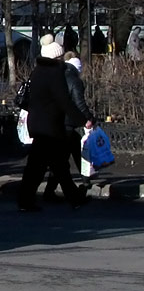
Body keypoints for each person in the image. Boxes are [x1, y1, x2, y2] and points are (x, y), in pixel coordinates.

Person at [17, 39, 94, 211]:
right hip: (50, 127)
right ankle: (27, 200)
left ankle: (72, 199)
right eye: (60, 56)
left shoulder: (37, 71)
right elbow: (64, 101)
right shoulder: (54, 73)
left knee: (52, 165)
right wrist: (83, 120)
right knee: (47, 167)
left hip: (37, 125)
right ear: (56, 57)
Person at [43, 52, 96, 199]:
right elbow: (79, 103)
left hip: (56, 122)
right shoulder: (75, 81)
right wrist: (89, 118)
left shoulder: (57, 77)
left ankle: (85, 181)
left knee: (73, 151)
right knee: (63, 160)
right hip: (67, 124)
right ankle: (55, 192)